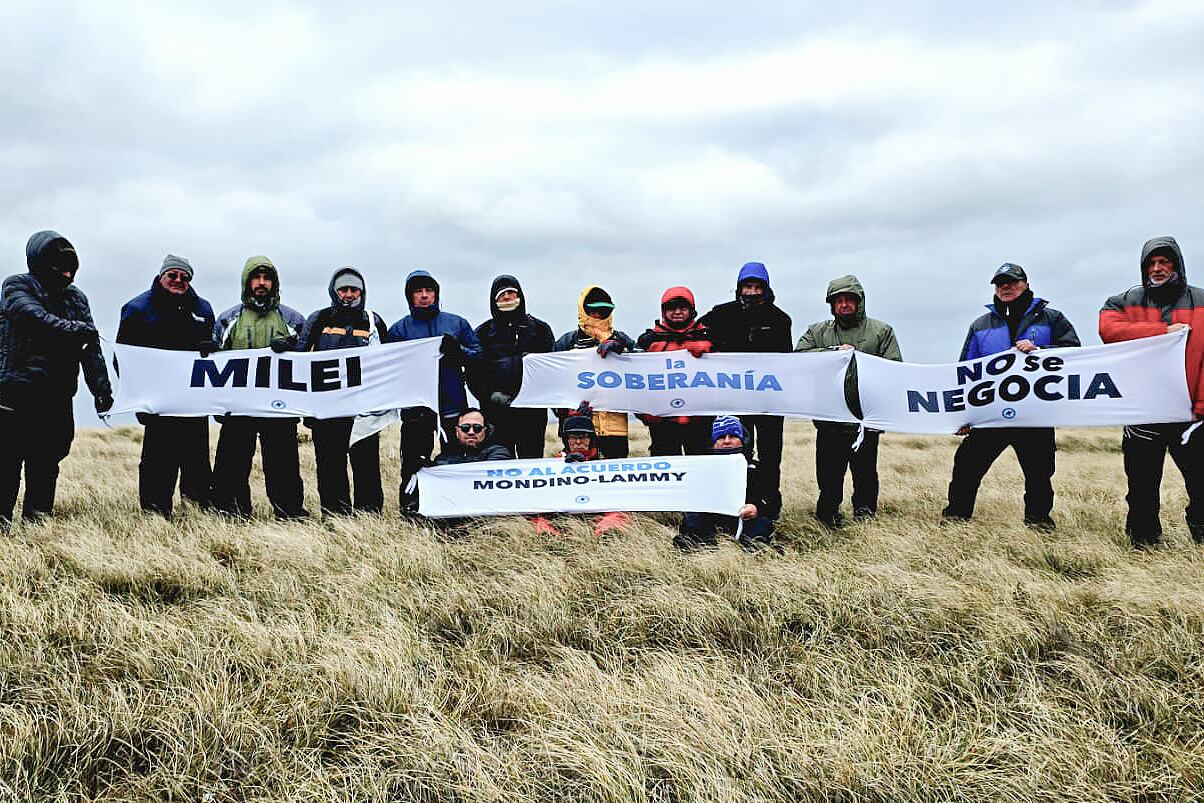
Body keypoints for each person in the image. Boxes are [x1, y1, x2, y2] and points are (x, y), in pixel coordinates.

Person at [942, 263, 1080, 529]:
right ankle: (956, 520)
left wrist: (1040, 349)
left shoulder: (1051, 319)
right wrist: (964, 415)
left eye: (1011, 282)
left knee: (1039, 474)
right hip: (991, 414)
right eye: (999, 283)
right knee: (966, 467)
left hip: (1034, 415)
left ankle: (1039, 524)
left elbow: (1073, 354)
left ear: (1025, 285)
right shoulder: (980, 325)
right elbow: (966, 372)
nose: (1005, 287)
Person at [0, 230, 113, 525]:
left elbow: (91, 348)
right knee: (6, 468)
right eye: (60, 265)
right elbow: (33, 318)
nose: (67, 272)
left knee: (46, 467)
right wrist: (77, 330)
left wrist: (101, 391)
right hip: (14, 397)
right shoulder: (15, 286)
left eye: (70, 266)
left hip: (57, 399)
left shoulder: (77, 298)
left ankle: (37, 531)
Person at [1099, 236, 1204, 546]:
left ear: (1177, 265)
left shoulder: (1200, 300)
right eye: (1152, 264)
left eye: (1164, 262)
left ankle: (1201, 533)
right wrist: (1162, 332)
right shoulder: (1124, 301)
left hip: (1192, 415)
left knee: (1201, 482)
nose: (1157, 269)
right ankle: (1143, 542)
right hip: (1144, 413)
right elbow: (1109, 330)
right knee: (1142, 486)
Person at [795, 275, 902, 526]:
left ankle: (865, 518)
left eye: (848, 300)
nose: (843, 305)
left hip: (865, 419)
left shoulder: (881, 331)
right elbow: (799, 357)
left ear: (859, 301)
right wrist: (832, 353)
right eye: (838, 300)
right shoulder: (817, 332)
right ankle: (827, 518)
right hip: (828, 418)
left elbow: (895, 368)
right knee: (829, 476)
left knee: (865, 474)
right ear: (831, 305)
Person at [116, 254, 216, 518]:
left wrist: (210, 349)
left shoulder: (203, 309)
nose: (178, 281)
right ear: (161, 276)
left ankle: (197, 516)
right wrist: (139, 399)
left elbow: (215, 356)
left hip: (193, 406)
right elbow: (123, 360)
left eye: (185, 277)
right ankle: (155, 517)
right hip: (158, 408)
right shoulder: (137, 309)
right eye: (172, 275)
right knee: (157, 465)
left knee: (197, 465)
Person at [210, 256, 308, 520]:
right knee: (231, 463)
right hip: (238, 407)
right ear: (247, 282)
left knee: (283, 465)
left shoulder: (293, 319)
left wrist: (291, 349)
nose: (261, 283)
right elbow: (213, 360)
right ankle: (230, 513)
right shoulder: (228, 320)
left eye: (267, 278)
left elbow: (307, 360)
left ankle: (290, 513)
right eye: (256, 278)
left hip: (278, 408)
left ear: (274, 283)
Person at [698, 262, 793, 515]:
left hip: (769, 403)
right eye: (747, 286)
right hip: (734, 400)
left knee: (771, 457)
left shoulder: (780, 320)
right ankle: (734, 503)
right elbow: (695, 331)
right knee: (737, 454)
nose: (751, 292)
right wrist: (704, 342)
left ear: (766, 288)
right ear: (739, 288)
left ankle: (769, 506)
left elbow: (789, 362)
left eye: (756, 286)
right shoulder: (722, 313)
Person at [295, 267, 389, 516]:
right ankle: (335, 517)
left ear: (362, 292)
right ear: (334, 292)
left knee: (367, 466)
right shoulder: (319, 319)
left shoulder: (373, 320)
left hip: (364, 412)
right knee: (330, 467)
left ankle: (369, 516)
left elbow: (389, 362)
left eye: (354, 289)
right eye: (343, 289)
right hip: (327, 411)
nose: (348, 294)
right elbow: (299, 361)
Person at [387, 270, 482, 511]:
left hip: (452, 405)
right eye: (418, 291)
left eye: (429, 291)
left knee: (456, 460)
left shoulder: (456, 323)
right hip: (417, 407)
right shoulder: (399, 330)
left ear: (436, 294)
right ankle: (411, 508)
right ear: (410, 297)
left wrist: (458, 351)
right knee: (413, 461)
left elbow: (478, 355)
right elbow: (388, 366)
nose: (424, 296)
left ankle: (458, 507)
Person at [469, 275, 554, 458]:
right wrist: (490, 395)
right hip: (496, 414)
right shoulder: (482, 333)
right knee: (500, 461)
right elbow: (473, 373)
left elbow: (551, 369)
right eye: (501, 295)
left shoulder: (540, 329)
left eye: (511, 293)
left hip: (532, 414)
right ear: (494, 300)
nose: (507, 298)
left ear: (520, 296)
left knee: (531, 463)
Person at [553, 285, 636, 459]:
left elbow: (646, 370)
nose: (598, 316)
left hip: (615, 429)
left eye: (603, 311)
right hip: (577, 428)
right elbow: (553, 387)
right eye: (593, 311)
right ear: (584, 310)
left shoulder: (621, 340)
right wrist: (570, 413)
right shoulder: (566, 344)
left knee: (614, 478)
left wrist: (624, 351)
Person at [675, 416, 777, 552]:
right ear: (714, 442)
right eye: (722, 437)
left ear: (743, 440)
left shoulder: (757, 469)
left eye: (733, 436)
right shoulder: (702, 468)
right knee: (692, 522)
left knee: (762, 526)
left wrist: (756, 507)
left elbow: (772, 502)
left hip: (745, 520)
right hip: (711, 519)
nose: (727, 441)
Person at [635, 286, 714, 456]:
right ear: (664, 311)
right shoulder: (648, 341)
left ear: (691, 311)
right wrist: (644, 414)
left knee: (701, 469)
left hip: (700, 420)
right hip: (662, 421)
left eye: (683, 307)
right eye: (672, 307)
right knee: (667, 473)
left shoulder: (709, 338)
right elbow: (634, 379)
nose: (677, 312)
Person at [531, 404, 630, 537]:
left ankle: (606, 533)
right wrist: (564, 465)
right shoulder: (557, 461)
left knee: (619, 513)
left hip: (598, 506)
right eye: (573, 437)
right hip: (566, 508)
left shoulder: (604, 460)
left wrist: (587, 462)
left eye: (583, 437)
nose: (578, 442)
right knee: (538, 515)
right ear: (566, 440)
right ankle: (549, 536)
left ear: (591, 439)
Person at [433, 408, 513, 465]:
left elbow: (485, 471)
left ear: (485, 431)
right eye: (465, 428)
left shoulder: (499, 452)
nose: (471, 432)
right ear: (457, 432)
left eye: (477, 428)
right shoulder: (445, 456)